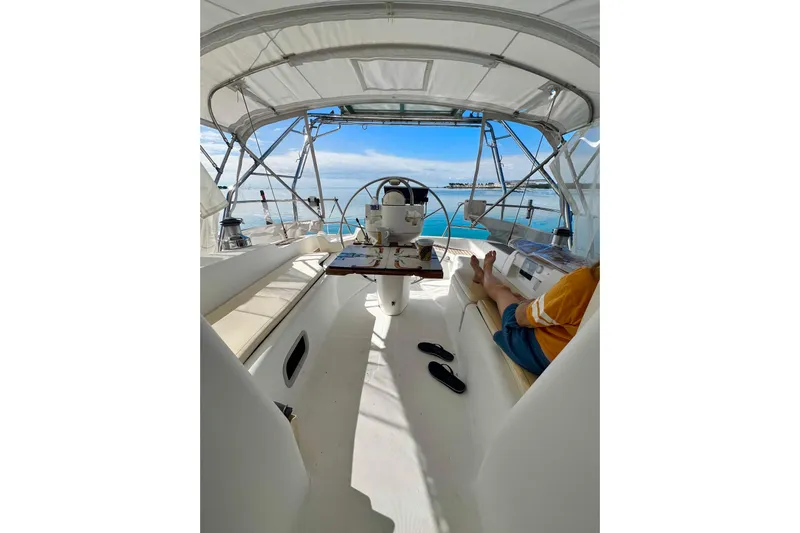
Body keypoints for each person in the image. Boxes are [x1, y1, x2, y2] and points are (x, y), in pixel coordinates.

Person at [470, 251, 599, 375]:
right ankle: (484, 278)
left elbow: (521, 318)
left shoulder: (586, 282)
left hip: (536, 353)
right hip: (572, 365)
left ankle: (485, 272)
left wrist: (524, 305)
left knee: (501, 293)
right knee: (518, 299)